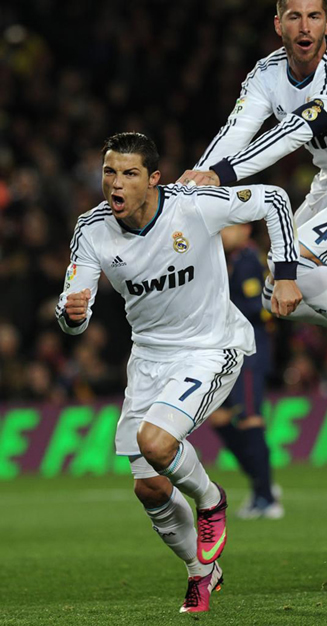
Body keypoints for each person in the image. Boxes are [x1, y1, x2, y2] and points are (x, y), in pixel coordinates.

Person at [56, 132, 301, 613]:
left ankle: (211, 500)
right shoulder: (92, 230)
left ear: (154, 179)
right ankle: (201, 572)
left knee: (157, 442)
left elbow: (274, 198)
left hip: (211, 347)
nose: (116, 184)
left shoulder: (193, 206)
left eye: (129, 174)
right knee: (148, 485)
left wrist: (286, 273)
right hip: (149, 359)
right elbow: (73, 315)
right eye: (109, 172)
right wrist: (72, 312)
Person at [178, 0, 327, 410]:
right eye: (294, 16)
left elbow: (294, 131)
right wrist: (197, 182)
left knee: (299, 265)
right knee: (277, 290)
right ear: (279, 25)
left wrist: (222, 175)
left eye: (314, 16)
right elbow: (235, 131)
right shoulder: (266, 74)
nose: (304, 26)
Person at [209, 223, 283, 520]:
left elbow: (259, 306)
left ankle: (266, 497)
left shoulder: (250, 260)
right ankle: (260, 481)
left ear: (243, 229)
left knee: (251, 418)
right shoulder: (230, 259)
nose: (222, 234)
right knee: (219, 418)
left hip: (248, 351)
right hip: (227, 351)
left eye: (226, 229)